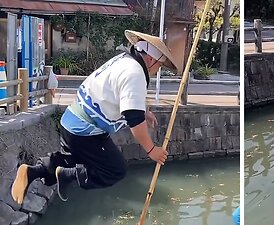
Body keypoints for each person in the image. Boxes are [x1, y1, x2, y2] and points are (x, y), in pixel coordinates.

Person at [11, 30, 180, 204]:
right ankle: (64, 176)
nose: (157, 70)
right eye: (159, 66)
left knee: (73, 161)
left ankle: (32, 172)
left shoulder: (123, 61)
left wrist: (143, 111)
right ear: (151, 59)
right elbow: (134, 121)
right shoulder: (135, 73)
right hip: (85, 130)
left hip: (72, 122)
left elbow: (117, 96)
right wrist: (152, 150)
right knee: (115, 169)